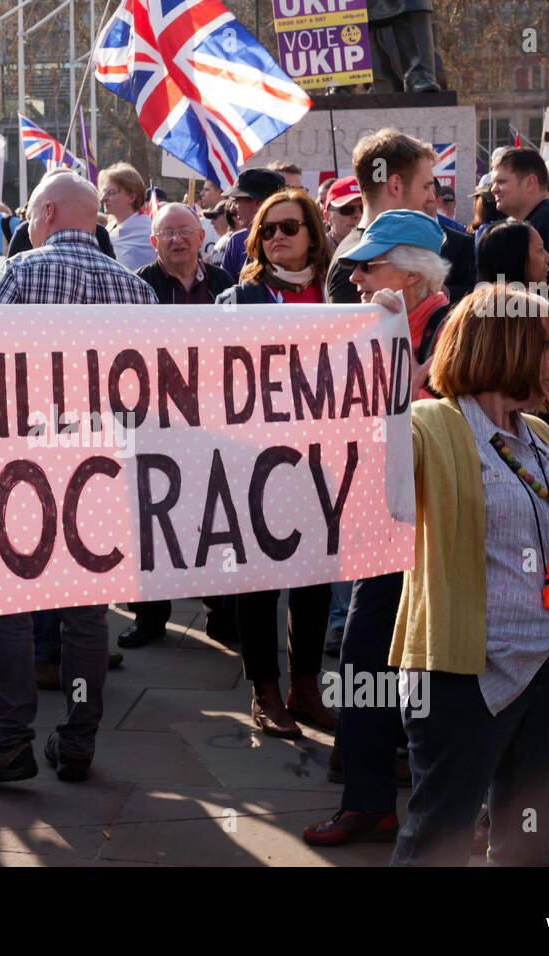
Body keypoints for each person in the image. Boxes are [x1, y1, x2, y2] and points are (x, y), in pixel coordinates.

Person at [388, 285, 549, 866]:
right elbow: (369, 472)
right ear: (505, 349)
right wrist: (392, 397)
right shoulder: (430, 424)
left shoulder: (540, 435)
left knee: (527, 837)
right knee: (438, 835)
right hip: (462, 674)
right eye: (547, 348)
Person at [0, 171, 157, 786]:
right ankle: (79, 736)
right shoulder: (134, 289)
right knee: (87, 610)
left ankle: (10, 738)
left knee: (10, 601)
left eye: (33, 216)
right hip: (100, 465)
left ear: (46, 213)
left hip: (25, 461)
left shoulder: (22, 271)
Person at [302, 210, 454, 848]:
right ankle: (371, 795)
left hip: (434, 532)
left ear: (414, 276)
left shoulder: (452, 327)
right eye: (355, 266)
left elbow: (435, 413)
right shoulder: (375, 323)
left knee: (412, 664)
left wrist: (397, 351)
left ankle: (415, 802)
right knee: (365, 655)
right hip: (379, 520)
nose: (356, 278)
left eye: (370, 266)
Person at [212, 189, 338, 736]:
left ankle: (304, 686)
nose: (278, 237)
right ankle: (264, 691)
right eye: (267, 230)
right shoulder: (239, 300)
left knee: (315, 575)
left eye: (289, 227)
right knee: (258, 578)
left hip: (325, 457)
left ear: (313, 232)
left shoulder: (341, 296)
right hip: (254, 458)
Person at [116, 203, 235, 652]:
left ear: (201, 236)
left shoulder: (227, 285)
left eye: (186, 230)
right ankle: (150, 617)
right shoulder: (137, 285)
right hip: (154, 420)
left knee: (215, 512)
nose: (178, 239)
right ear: (154, 242)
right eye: (168, 233)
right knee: (152, 517)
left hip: (213, 419)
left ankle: (220, 612)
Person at [326, 129, 474, 306]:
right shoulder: (352, 263)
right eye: (426, 187)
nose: (431, 198)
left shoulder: (367, 250)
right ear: (396, 185)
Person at [490, 146, 549, 283]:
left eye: (501, 182)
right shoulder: (542, 217)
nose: (493, 190)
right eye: (493, 183)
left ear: (530, 183)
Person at [218, 168, 285, 281]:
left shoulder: (293, 242)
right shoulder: (237, 241)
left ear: (260, 204)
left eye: (237, 200)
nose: (232, 209)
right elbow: (225, 293)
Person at [99, 162, 157, 272]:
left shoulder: (147, 233)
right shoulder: (110, 227)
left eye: (111, 192)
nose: (103, 198)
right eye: (103, 192)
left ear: (132, 197)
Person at [323, 175, 362, 246]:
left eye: (363, 208)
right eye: (347, 210)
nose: (358, 215)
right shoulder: (316, 253)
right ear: (328, 217)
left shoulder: (380, 252)